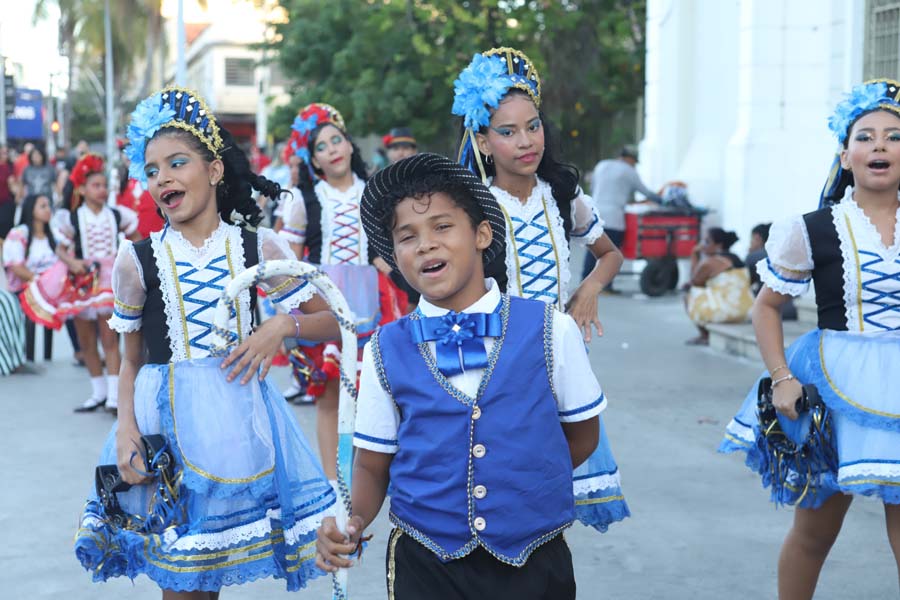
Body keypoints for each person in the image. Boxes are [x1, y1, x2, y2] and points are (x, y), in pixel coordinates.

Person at [73, 86, 339, 596]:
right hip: (164, 430)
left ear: (214, 170)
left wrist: (281, 327)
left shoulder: (258, 246)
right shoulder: (137, 259)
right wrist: (126, 430)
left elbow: (332, 319)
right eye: (152, 170)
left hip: (238, 430)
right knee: (179, 580)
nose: (163, 178)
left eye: (177, 163)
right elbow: (130, 360)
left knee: (207, 579)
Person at [316, 153, 606, 599]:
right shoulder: (383, 349)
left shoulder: (552, 329)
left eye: (442, 226)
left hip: (534, 555)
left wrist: (523, 484)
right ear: (395, 256)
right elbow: (372, 465)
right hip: (425, 561)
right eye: (407, 236)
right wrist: (352, 521)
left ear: (482, 234)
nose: (425, 245)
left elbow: (582, 437)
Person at [719, 79, 900, 600]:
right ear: (845, 156)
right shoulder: (812, 229)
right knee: (815, 532)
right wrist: (782, 378)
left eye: (893, 136)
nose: (880, 145)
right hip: (834, 389)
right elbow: (766, 307)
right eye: (865, 136)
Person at [452, 47, 629, 530]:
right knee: (497, 487)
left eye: (533, 126)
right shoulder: (473, 205)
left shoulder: (563, 195)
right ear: (483, 142)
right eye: (508, 132)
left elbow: (610, 254)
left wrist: (589, 290)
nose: (526, 141)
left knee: (549, 491)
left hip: (559, 356)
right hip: (496, 361)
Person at [282, 102, 405, 475]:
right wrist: (291, 314)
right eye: (321, 147)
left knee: (373, 395)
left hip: (372, 299)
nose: (332, 149)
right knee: (330, 397)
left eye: (337, 140)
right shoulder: (303, 200)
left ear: (350, 145)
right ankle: (334, 483)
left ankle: (366, 480)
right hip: (323, 302)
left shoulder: (376, 192)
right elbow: (290, 263)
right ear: (315, 161)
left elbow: (391, 246)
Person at [51, 154, 140, 412]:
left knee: (109, 338)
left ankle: (115, 397)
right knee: (86, 340)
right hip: (82, 281)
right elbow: (60, 248)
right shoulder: (72, 218)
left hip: (109, 280)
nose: (101, 190)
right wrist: (72, 262)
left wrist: (126, 256)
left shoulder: (117, 214)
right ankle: (98, 392)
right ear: (82, 189)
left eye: (104, 186)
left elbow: (136, 238)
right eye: (95, 185)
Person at [581, 145, 662, 286]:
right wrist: (661, 200)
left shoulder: (602, 165)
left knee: (592, 251)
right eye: (634, 161)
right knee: (610, 254)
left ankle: (585, 282)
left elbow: (594, 188)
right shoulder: (629, 171)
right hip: (614, 219)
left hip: (594, 215)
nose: (634, 164)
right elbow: (645, 192)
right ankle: (606, 285)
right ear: (630, 158)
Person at [2, 194, 60, 360]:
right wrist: (39, 281)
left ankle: (52, 353)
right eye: (42, 206)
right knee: (33, 297)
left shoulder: (53, 234)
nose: (48, 210)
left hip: (49, 290)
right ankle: (28, 357)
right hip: (25, 288)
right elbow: (15, 267)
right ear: (31, 209)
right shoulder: (19, 233)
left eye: (48, 205)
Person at [683, 227, 754, 345]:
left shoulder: (710, 262)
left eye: (707, 241)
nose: (703, 245)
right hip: (748, 311)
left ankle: (704, 335)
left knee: (688, 294)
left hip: (725, 312)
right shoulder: (737, 258)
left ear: (718, 245)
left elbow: (695, 282)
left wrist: (694, 255)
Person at [0, 145, 15, 239]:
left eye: (5, 153)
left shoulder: (10, 167)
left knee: (5, 227)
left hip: (6, 202)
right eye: (2, 153)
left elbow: (13, 186)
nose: (3, 155)